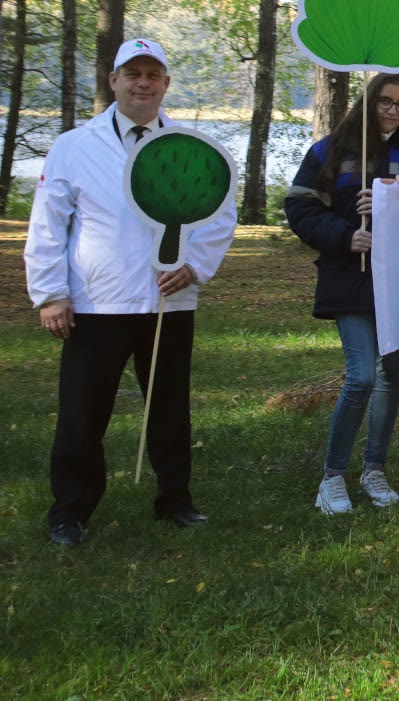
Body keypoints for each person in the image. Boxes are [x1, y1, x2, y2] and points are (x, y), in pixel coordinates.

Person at [26, 38, 236, 546]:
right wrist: (51, 294)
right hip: (97, 302)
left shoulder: (189, 147)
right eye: (132, 74)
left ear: (165, 84)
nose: (142, 83)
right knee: (82, 412)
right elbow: (48, 225)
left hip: (168, 299)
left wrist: (195, 267)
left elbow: (219, 213)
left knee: (169, 408)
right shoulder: (74, 146)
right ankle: (70, 512)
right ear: (114, 81)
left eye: (153, 74)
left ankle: (175, 501)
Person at [284, 71, 399, 515]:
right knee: (361, 376)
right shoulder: (332, 150)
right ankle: (332, 477)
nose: (393, 111)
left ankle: (374, 469)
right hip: (348, 275)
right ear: (369, 101)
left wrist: (398, 205)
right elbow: (300, 207)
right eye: (385, 102)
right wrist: (345, 236)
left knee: (387, 379)